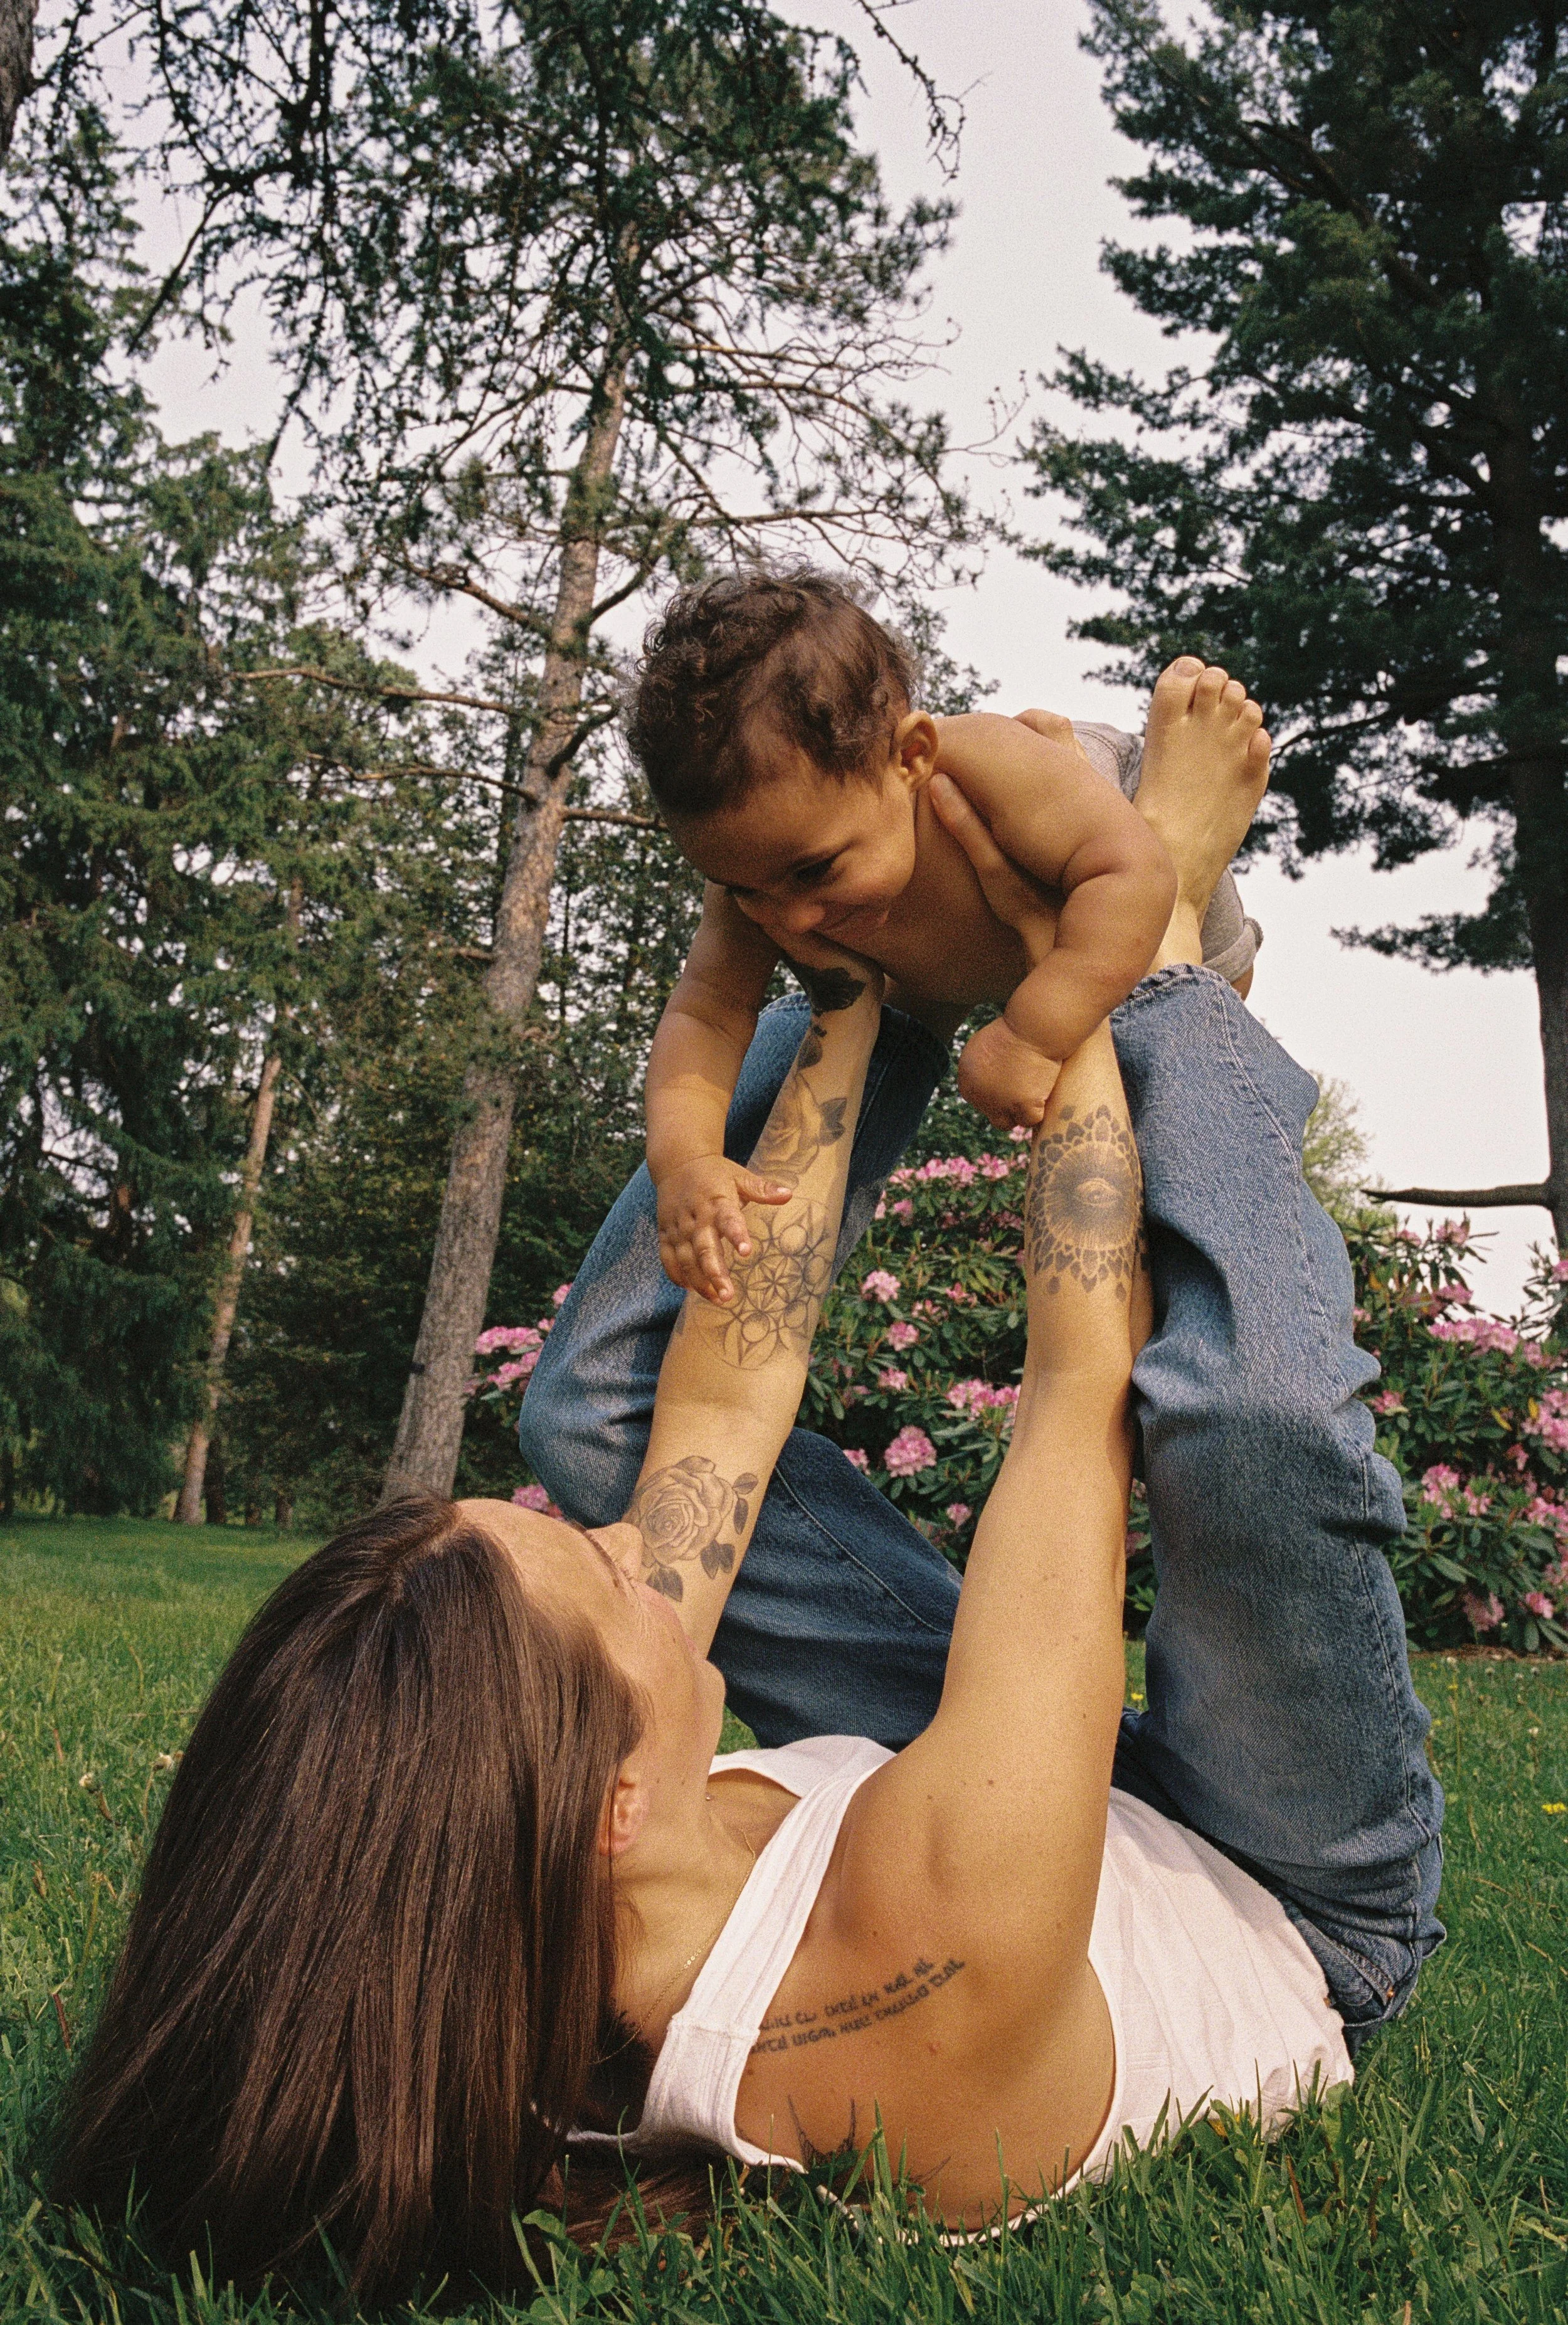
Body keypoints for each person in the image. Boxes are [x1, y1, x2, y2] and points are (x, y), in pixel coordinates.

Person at [49, 727, 1442, 2306]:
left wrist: (851, 974)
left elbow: (720, 1409)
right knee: (1244, 1421)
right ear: (612, 1803)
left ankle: (887, 987)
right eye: (606, 1579)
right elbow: (1078, 1379)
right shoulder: (936, 1935)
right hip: (1267, 1879)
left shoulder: (516, 1903)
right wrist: (1125, 934)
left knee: (611, 1421)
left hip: (1036, 1819)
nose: (645, 1557)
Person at [634, 567, 1270, 1305]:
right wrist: (685, 1161)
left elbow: (1130, 876)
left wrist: (1031, 1035)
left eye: (815, 870)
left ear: (911, 759)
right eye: (744, 887)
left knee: (1186, 1001)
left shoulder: (990, 769)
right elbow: (706, 1010)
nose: (789, 919)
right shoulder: (765, 860)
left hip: (1103, 830)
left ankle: (1178, 873)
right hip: (949, 967)